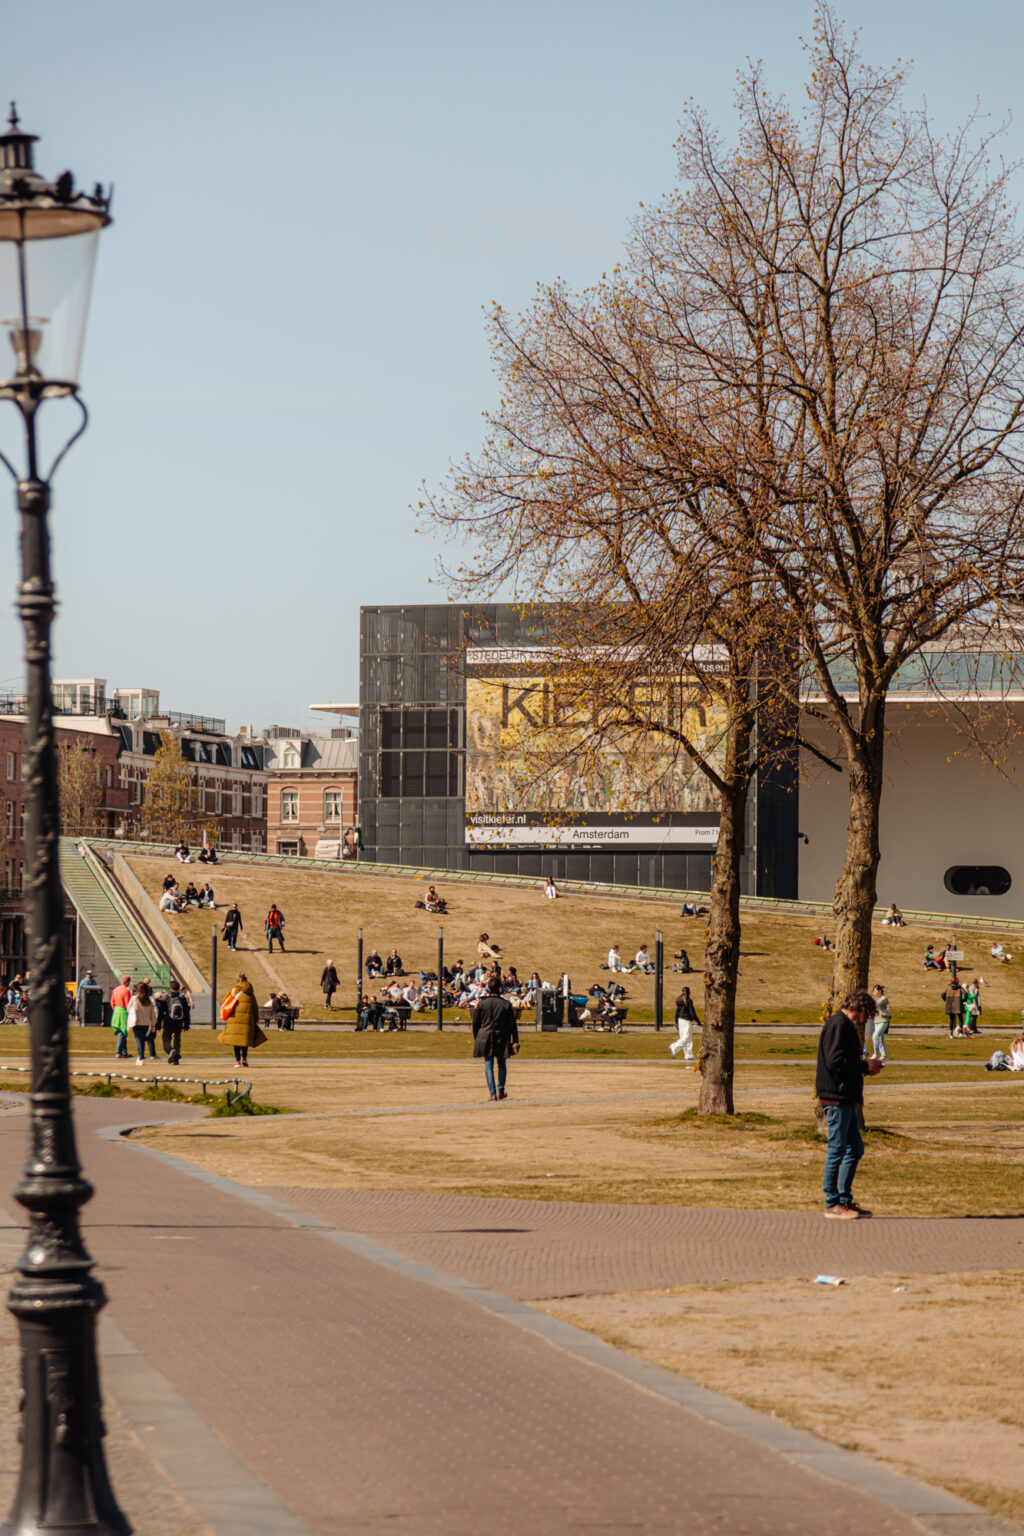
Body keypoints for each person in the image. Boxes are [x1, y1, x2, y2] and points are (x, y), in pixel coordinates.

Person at [816, 988, 884, 1218]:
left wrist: (864, 1069)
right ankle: (832, 1202)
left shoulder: (844, 1026)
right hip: (836, 1097)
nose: (865, 1021)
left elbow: (844, 1062)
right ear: (857, 1009)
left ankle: (845, 1200)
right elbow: (835, 1062)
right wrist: (864, 1066)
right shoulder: (838, 1025)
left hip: (846, 1096)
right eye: (866, 1015)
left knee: (854, 1148)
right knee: (837, 1149)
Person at [471, 975, 519, 1102]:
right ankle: (500, 1091)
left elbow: (475, 1023)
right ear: (499, 988)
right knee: (502, 1064)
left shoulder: (482, 1003)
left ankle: (492, 1094)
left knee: (488, 1064)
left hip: (485, 1035)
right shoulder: (505, 1004)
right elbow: (512, 1025)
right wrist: (515, 1040)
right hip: (501, 1036)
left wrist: (477, 1037)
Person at [218, 973, 263, 1066]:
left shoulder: (234, 990)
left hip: (234, 1019)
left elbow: (225, 1001)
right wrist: (255, 1019)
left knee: (236, 1041)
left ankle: (237, 1060)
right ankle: (244, 1059)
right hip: (247, 1019)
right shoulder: (250, 992)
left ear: (238, 981)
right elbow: (255, 1006)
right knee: (244, 1040)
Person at [157, 979, 190, 1065]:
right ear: (179, 988)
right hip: (179, 1022)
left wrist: (158, 1024)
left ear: (170, 988)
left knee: (166, 1039)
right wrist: (186, 1025)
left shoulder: (166, 997)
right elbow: (186, 1012)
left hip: (168, 1021)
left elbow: (160, 1012)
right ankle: (176, 1059)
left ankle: (170, 1051)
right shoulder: (182, 998)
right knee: (177, 1039)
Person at [128, 980, 157, 1064]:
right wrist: (153, 1025)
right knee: (143, 1040)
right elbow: (153, 1014)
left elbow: (128, 1008)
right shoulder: (149, 1000)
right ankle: (141, 1056)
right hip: (147, 1024)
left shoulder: (134, 999)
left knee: (139, 1040)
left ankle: (140, 1057)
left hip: (137, 1023)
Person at [669, 987, 700, 1061]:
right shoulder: (689, 1001)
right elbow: (692, 1013)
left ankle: (688, 1054)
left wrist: (676, 1022)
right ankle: (674, 1047)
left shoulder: (679, 1000)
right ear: (689, 993)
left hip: (680, 1021)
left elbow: (677, 1012)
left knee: (687, 1038)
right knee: (686, 1037)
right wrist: (698, 1022)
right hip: (686, 1021)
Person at [109, 974, 131, 1058]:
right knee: (123, 1032)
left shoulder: (116, 989)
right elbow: (127, 1003)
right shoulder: (126, 991)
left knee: (122, 1032)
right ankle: (118, 1051)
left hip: (116, 1010)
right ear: (128, 982)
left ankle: (124, 1052)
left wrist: (115, 1009)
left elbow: (112, 1002)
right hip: (123, 1011)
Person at [869, 984, 891, 1062]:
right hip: (877, 1021)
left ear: (880, 991)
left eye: (875, 990)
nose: (873, 992)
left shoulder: (883, 998)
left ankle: (876, 1053)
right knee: (880, 1038)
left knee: (875, 1036)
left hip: (883, 1021)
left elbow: (876, 1004)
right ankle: (884, 1055)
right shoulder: (876, 999)